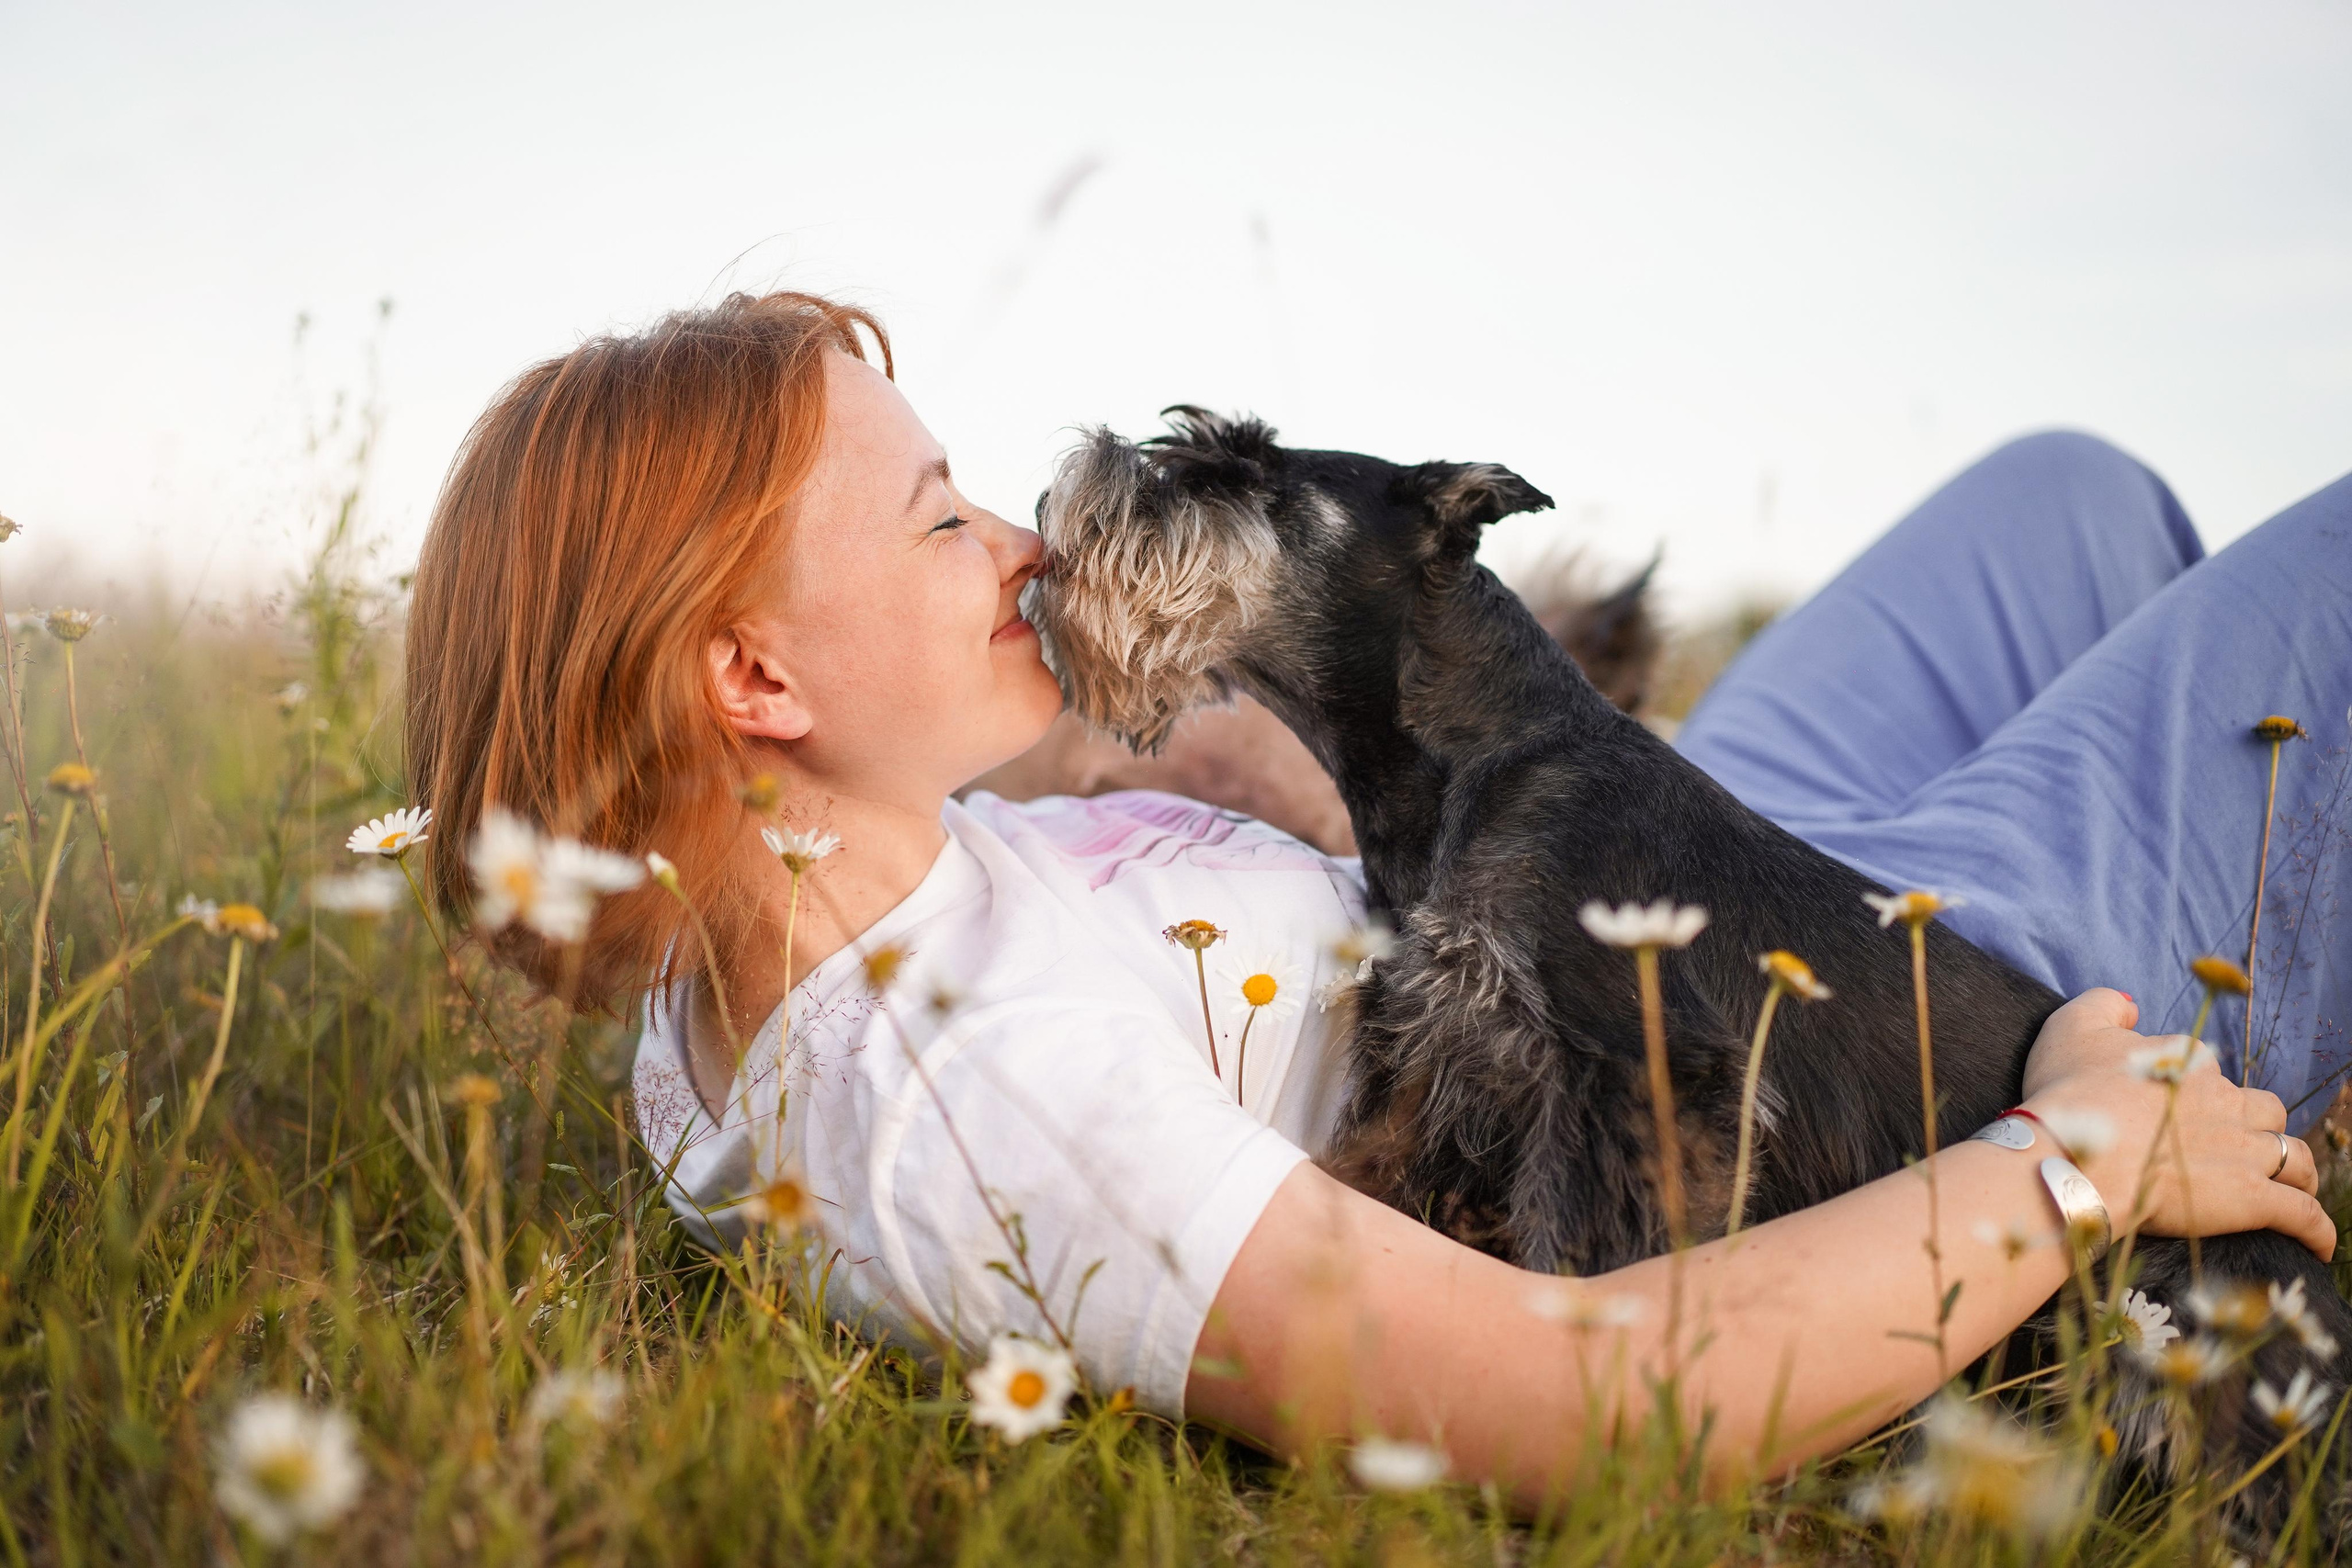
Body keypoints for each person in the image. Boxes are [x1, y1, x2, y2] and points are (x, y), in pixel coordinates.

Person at [402, 291, 2341, 1501]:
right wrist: (2074, 1158)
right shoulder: (987, 1107)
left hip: (1650, 850)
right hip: (1857, 1036)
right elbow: (1585, 1407)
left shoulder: (754, 950)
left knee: (2067, 493)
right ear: (754, 680)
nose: (1018, 544)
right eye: (940, 518)